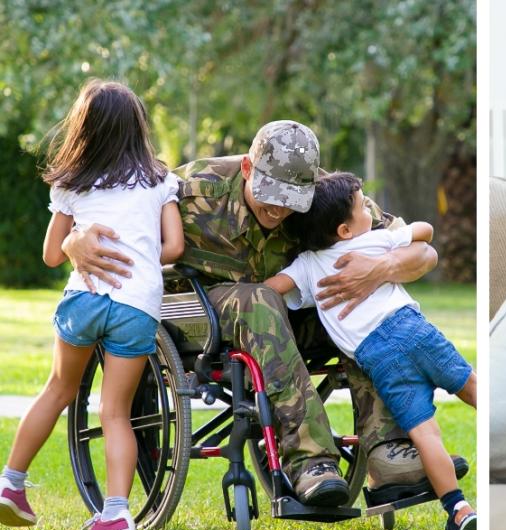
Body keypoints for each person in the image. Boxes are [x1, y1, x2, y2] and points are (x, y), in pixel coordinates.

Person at [58, 120, 436, 508]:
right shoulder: (193, 191)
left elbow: (424, 251)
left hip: (285, 316)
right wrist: (74, 239)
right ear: (246, 168)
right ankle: (311, 462)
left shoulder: (330, 198)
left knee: (362, 309)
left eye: (292, 199)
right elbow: (101, 215)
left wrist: (380, 268)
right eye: (269, 192)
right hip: (196, 315)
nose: (278, 207)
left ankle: (388, 451)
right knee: (259, 301)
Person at [0, 79, 184, 530]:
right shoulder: (160, 180)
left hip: (83, 300)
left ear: (84, 129)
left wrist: (77, 242)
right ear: (137, 127)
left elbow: (50, 255)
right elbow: (176, 247)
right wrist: (141, 257)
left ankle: (11, 485)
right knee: (115, 411)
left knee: (58, 389)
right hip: (136, 305)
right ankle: (115, 514)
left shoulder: (72, 183)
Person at [264, 171, 478, 530]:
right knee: (473, 387)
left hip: (379, 360)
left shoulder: (309, 266)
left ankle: (459, 510)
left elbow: (270, 291)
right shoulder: (375, 240)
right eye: (364, 205)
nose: (370, 210)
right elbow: (425, 232)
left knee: (425, 435)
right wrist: (396, 242)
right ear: (345, 230)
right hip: (414, 332)